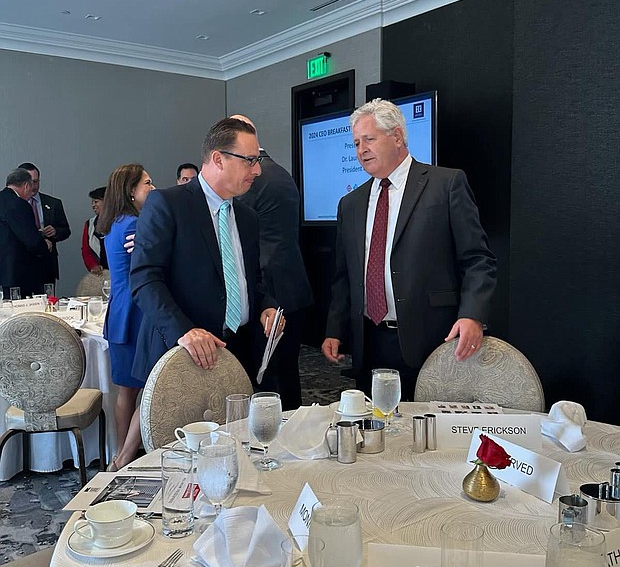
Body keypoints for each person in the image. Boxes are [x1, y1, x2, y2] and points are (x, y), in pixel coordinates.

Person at [322, 99, 497, 399]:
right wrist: (335, 330)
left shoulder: (445, 184)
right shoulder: (350, 204)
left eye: (369, 139)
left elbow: (477, 259)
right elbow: (344, 276)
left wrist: (473, 315)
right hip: (369, 341)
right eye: (356, 143)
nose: (361, 150)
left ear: (397, 137)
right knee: (375, 422)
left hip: (430, 339)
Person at [131, 117, 282, 384]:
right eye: (250, 160)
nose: (257, 170)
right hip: (183, 354)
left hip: (239, 350)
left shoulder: (247, 217)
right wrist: (184, 331)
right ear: (218, 159)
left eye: (257, 160)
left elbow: (250, 280)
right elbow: (145, 279)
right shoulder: (169, 204)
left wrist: (266, 305)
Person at [234, 114, 313, 410]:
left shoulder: (251, 179)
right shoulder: (281, 173)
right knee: (288, 372)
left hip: (270, 289)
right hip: (294, 284)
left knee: (269, 378)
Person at [98, 164, 155, 470]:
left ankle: (120, 454)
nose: (153, 188)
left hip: (120, 310)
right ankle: (124, 459)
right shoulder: (134, 224)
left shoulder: (113, 223)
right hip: (137, 313)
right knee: (150, 388)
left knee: (126, 390)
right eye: (147, 183)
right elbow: (148, 269)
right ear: (131, 190)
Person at [0, 168, 52, 298]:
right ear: (26, 186)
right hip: (15, 275)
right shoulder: (19, 204)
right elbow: (31, 240)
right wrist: (45, 245)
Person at [18, 162, 71, 289]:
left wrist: (55, 231)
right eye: (30, 182)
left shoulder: (53, 203)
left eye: (36, 182)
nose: (33, 186)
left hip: (46, 264)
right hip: (21, 264)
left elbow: (66, 230)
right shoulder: (14, 205)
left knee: (47, 298)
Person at [81, 186, 108, 274]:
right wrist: (92, 265)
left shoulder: (120, 222)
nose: (93, 205)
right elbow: (86, 250)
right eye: (92, 202)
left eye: (96, 202)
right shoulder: (89, 224)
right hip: (101, 274)